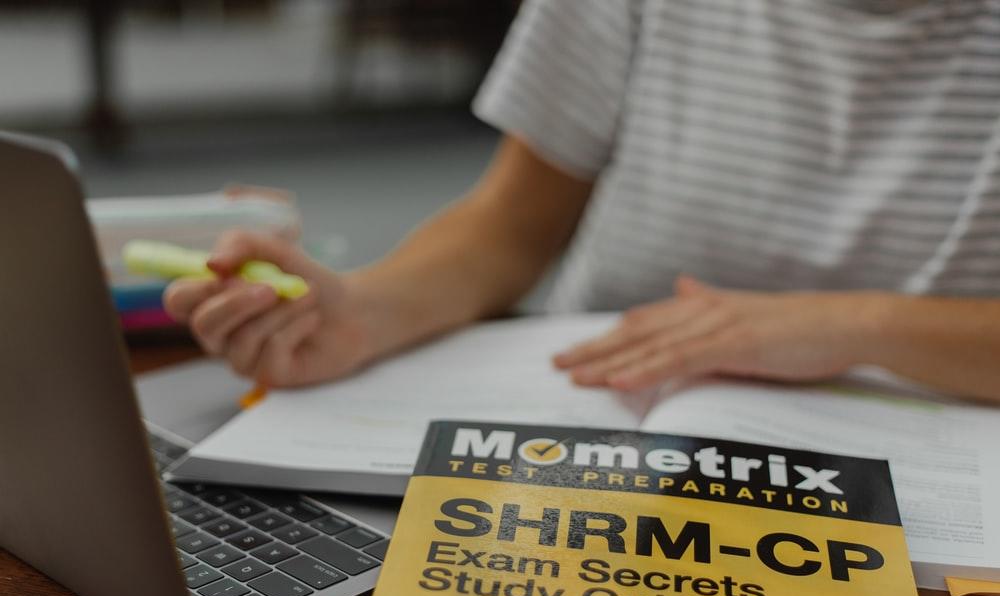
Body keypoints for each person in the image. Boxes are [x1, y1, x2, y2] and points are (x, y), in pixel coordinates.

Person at [164, 0, 1000, 403]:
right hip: (598, 413)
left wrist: (850, 326)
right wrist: (363, 312)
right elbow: (509, 225)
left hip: (929, 458)